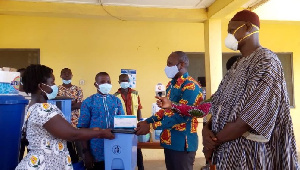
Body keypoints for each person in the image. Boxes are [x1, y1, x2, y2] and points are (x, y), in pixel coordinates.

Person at [201, 10, 299, 169]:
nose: (229, 36)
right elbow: (218, 103)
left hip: (250, 157)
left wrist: (212, 142)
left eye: (232, 30)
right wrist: (207, 130)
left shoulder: (266, 61)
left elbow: (249, 119)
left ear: (247, 27)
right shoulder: (237, 65)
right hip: (228, 155)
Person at [16, 64, 114, 169]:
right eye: (52, 82)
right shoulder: (43, 109)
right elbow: (73, 135)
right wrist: (101, 132)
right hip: (44, 165)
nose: (54, 85)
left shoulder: (32, 107)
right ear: (41, 86)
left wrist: (94, 130)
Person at [136, 51, 203, 170]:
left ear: (181, 65)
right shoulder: (170, 85)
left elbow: (182, 116)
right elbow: (165, 112)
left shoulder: (191, 86)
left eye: (170, 64)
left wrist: (151, 126)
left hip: (182, 144)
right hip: (169, 141)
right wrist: (147, 121)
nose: (167, 68)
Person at [77, 72, 125, 170]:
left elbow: (123, 122)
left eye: (108, 81)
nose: (106, 84)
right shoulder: (88, 102)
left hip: (115, 147)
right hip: (96, 150)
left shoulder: (116, 101)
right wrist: (86, 152)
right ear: (96, 84)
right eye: (103, 82)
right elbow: (82, 128)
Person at [114, 74, 144, 170]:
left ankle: (141, 167)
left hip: (134, 124)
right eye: (122, 80)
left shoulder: (135, 93)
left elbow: (138, 108)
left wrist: (141, 121)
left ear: (129, 81)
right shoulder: (115, 96)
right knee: (124, 146)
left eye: (126, 80)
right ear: (119, 82)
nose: (124, 82)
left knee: (137, 147)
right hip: (121, 126)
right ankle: (125, 166)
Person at [57, 68, 84, 165]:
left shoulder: (78, 89)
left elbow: (80, 105)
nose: (66, 75)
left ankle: (80, 162)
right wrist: (72, 104)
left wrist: (64, 105)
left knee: (78, 144)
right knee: (63, 145)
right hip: (60, 122)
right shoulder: (57, 89)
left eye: (68, 73)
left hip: (75, 121)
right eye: (64, 73)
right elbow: (56, 106)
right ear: (60, 76)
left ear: (72, 75)